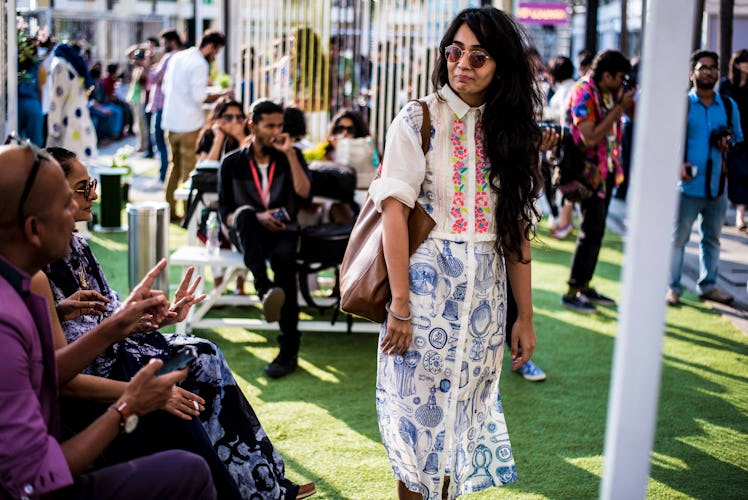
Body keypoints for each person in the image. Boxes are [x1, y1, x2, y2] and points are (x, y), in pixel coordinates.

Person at [40, 146, 315, 499]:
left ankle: (262, 484)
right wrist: (138, 377)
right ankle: (244, 489)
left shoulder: (77, 247)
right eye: (82, 188)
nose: (94, 194)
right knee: (192, 368)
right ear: (51, 198)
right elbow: (66, 371)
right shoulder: (37, 270)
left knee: (203, 352)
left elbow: (109, 314)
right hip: (110, 374)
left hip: (124, 356)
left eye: (90, 183)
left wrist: (153, 319)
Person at [372, 7, 540, 498]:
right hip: (424, 292)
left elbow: (516, 232)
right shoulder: (416, 117)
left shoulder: (512, 133)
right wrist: (400, 305)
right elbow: (393, 215)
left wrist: (524, 317)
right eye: (454, 51)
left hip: (485, 303)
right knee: (415, 427)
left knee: (459, 430)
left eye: (478, 56)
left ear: (502, 67)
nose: (462, 64)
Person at [0, 140, 216, 499]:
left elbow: (45, 372)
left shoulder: (23, 284)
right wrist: (128, 405)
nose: (81, 209)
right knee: (188, 471)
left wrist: (118, 323)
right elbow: (33, 481)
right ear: (33, 229)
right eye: (65, 202)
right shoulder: (7, 319)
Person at [218, 99, 312, 379]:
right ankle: (263, 288)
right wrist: (258, 216)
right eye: (269, 125)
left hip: (282, 230)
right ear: (252, 125)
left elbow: (305, 195)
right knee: (246, 214)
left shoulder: (290, 155)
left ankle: (288, 351)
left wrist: (292, 155)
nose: (276, 131)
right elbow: (226, 213)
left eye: (280, 125)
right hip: (248, 231)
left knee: (285, 266)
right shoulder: (232, 162)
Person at [560, 50, 635, 314]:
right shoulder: (584, 92)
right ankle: (572, 290)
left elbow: (634, 116)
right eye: (620, 77)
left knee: (596, 231)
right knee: (589, 231)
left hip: (605, 174)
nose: (622, 82)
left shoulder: (608, 91)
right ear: (607, 75)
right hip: (586, 174)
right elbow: (589, 137)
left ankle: (584, 285)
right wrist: (618, 109)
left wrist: (626, 101)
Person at [666, 50, 743, 307]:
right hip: (687, 187)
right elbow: (668, 142)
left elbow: (738, 141)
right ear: (692, 73)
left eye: (712, 67)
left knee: (712, 238)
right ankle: (672, 287)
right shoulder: (682, 105)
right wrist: (678, 164)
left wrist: (726, 142)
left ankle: (708, 285)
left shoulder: (729, 106)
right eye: (702, 67)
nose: (708, 71)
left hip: (716, 187)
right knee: (679, 238)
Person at [162, 29, 232, 222]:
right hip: (188, 124)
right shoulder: (199, 63)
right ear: (211, 46)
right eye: (216, 52)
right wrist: (223, 93)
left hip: (170, 121)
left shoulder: (179, 57)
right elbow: (199, 96)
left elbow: (165, 87)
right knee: (189, 171)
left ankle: (170, 210)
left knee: (173, 167)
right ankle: (187, 214)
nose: (216, 57)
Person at [46, 42, 98, 159]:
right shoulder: (75, 63)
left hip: (67, 118)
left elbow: (58, 96)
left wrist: (54, 127)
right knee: (78, 161)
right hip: (80, 115)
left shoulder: (59, 64)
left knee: (66, 161)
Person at [545, 55, 577, 240]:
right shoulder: (572, 87)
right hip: (568, 143)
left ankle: (564, 223)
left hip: (565, 143)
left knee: (563, 184)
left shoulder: (566, 90)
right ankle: (566, 222)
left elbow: (563, 116)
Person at [718, 49, 748, 232]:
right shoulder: (726, 84)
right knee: (723, 172)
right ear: (736, 64)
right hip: (726, 134)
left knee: (744, 174)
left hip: (746, 135)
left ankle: (740, 216)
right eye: (745, 62)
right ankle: (720, 213)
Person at [148, 29, 182, 182]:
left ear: (172, 41)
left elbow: (155, 78)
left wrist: (146, 64)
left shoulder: (170, 57)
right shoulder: (181, 56)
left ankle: (164, 175)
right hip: (172, 106)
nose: (162, 46)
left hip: (163, 106)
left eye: (164, 43)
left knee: (161, 143)